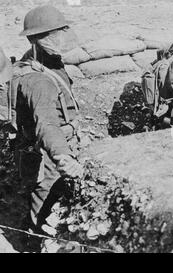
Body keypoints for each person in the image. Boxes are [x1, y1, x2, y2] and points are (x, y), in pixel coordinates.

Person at [11, 5, 83, 234]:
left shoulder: (48, 62)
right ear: (38, 39)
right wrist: (63, 157)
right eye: (56, 33)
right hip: (47, 154)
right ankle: (35, 240)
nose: (63, 36)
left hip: (54, 144)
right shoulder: (37, 79)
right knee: (44, 206)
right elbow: (47, 123)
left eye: (63, 30)